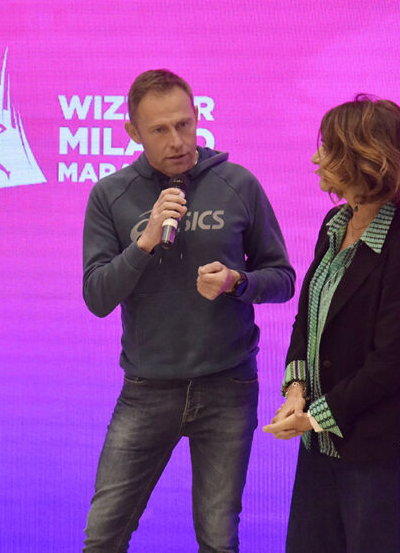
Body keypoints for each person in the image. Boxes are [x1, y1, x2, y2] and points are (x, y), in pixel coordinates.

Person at [81, 69, 295, 552]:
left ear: (198, 117)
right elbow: (97, 296)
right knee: (103, 536)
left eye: (184, 124)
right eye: (159, 129)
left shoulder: (238, 183)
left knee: (218, 539)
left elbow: (282, 279)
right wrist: (144, 242)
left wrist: (238, 282)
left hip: (228, 386)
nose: (176, 140)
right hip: (147, 388)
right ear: (133, 132)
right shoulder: (110, 195)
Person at [263, 95, 400, 553]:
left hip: (378, 449)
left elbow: (388, 365)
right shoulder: (333, 225)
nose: (316, 159)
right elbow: (307, 317)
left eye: (329, 148)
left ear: (365, 160)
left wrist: (313, 418)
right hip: (319, 447)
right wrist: (296, 390)